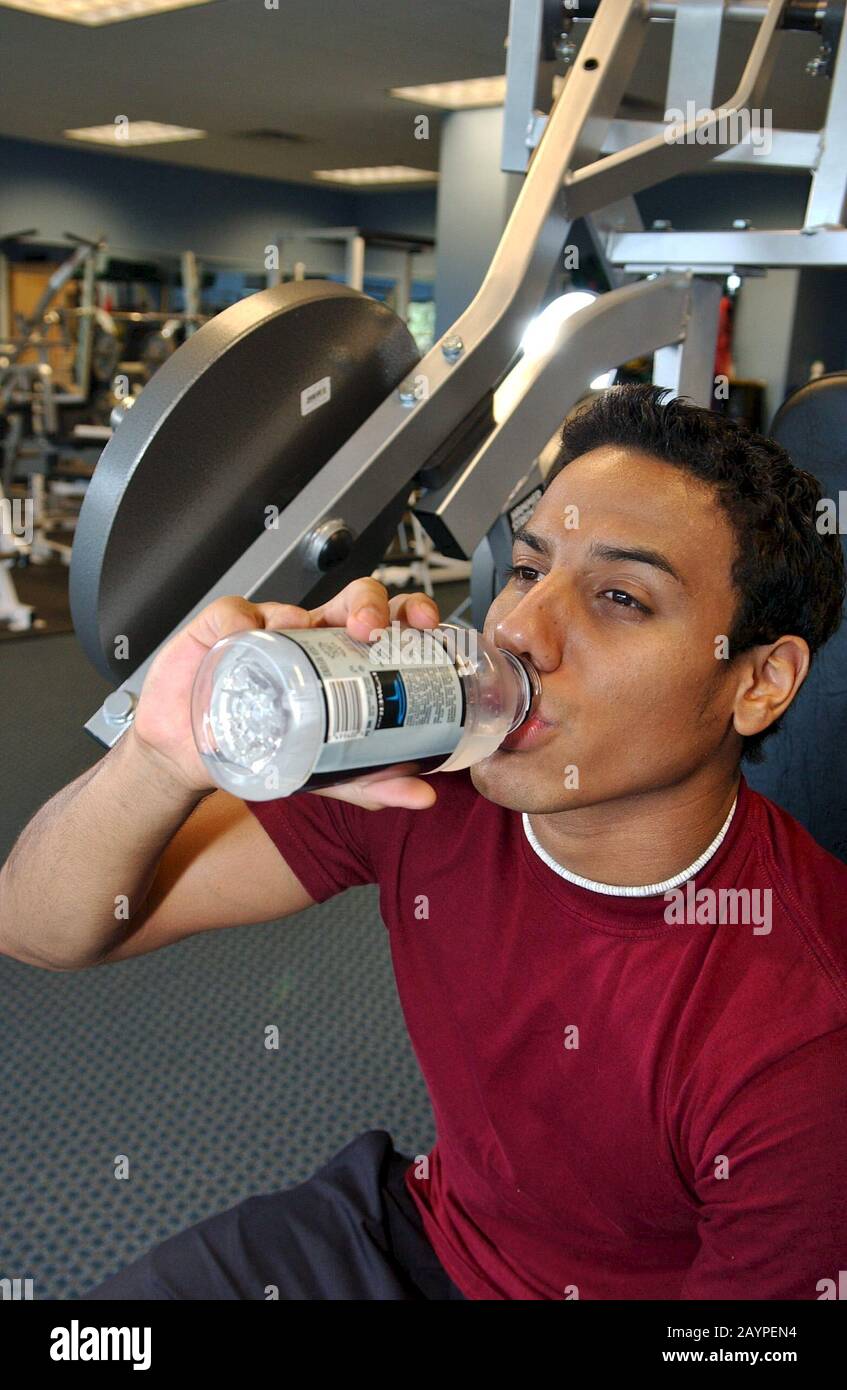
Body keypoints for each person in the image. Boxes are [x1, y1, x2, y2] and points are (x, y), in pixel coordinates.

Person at [2, 383, 846, 1300]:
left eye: (617, 597)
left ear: (759, 682)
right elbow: (41, 925)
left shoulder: (806, 1036)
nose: (518, 629)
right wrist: (161, 757)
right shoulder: (428, 787)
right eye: (528, 571)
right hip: (415, 1236)